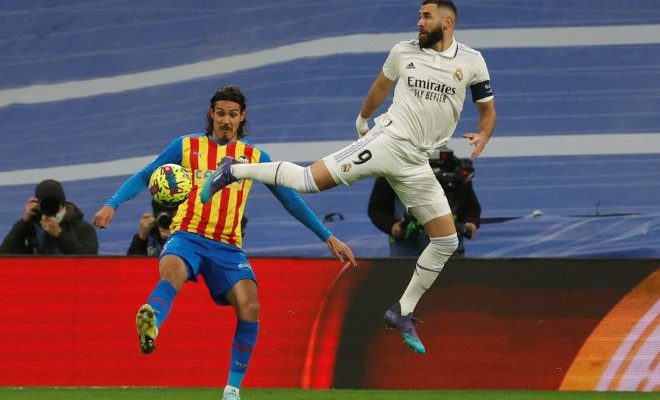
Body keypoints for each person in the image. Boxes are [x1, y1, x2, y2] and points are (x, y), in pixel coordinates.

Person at [200, 0, 495, 355]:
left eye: (426, 16)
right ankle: (233, 169)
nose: (419, 21)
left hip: (418, 163)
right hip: (388, 141)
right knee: (308, 180)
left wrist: (482, 134)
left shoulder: (472, 62)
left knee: (446, 241)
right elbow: (381, 87)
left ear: (448, 22)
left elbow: (487, 112)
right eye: (418, 15)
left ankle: (402, 311)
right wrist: (362, 119)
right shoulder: (403, 52)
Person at [92, 85, 356, 400]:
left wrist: (327, 236)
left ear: (242, 117)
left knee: (251, 307)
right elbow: (145, 175)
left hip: (228, 247)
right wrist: (112, 203)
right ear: (211, 115)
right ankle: (152, 321)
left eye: (232, 115)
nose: (226, 121)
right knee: (171, 272)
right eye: (220, 114)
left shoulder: (255, 157)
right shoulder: (186, 145)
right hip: (187, 235)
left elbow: (290, 199)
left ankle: (232, 390)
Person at [368, 147, 481, 257]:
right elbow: (376, 208)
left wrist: (470, 224)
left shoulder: (454, 167)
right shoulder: (393, 168)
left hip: (451, 256)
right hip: (407, 257)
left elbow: (471, 207)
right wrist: (392, 226)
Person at [0, 179, 98, 255]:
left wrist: (60, 234)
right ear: (37, 204)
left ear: (62, 203)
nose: (49, 208)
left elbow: (91, 260)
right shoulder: (30, 227)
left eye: (52, 203)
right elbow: (4, 255)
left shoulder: (82, 228)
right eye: (45, 204)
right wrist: (22, 223)